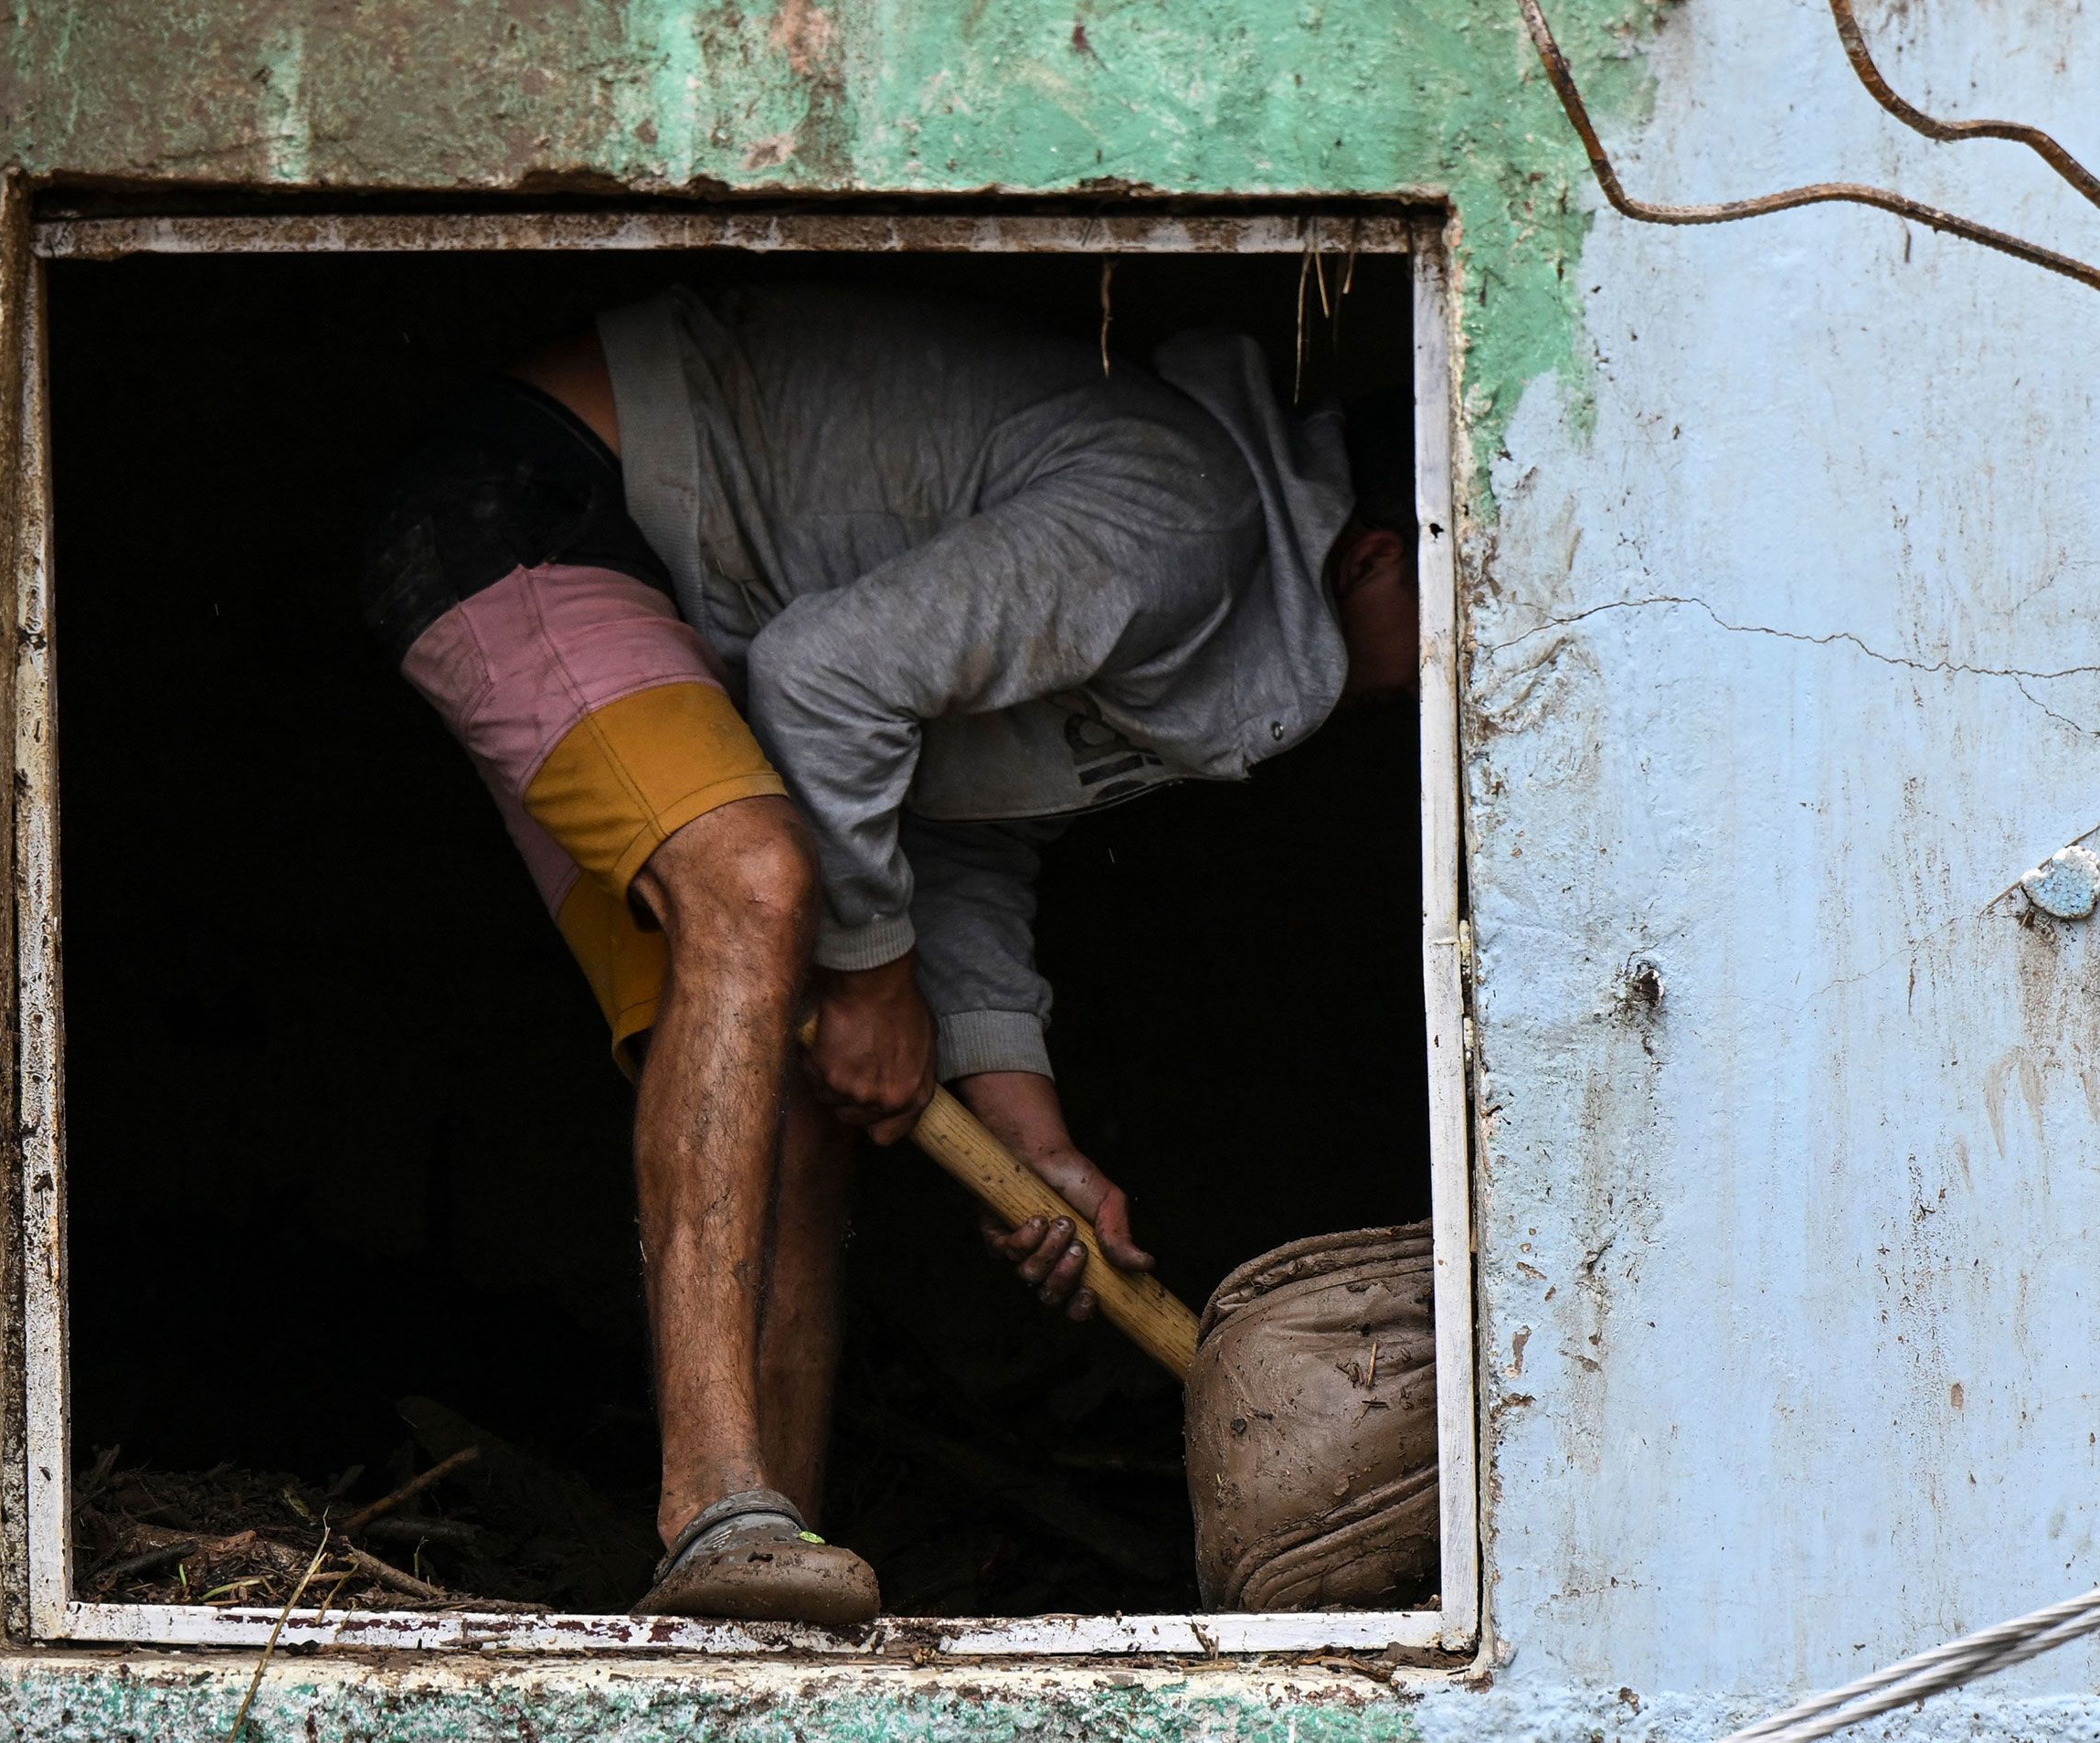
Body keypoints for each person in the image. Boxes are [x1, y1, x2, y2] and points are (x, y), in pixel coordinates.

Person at [361, 282, 1421, 1625]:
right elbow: (824, 680)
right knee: (757, 885)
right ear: (1378, 558)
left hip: (681, 600)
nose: (1439, 683)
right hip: (547, 496)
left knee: (790, 1053)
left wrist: (1021, 1122)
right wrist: (869, 978)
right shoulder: (1181, 522)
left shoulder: (1219, 610)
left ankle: (761, 1573)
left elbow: (950, 811)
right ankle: (710, 1505)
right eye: (1451, 624)